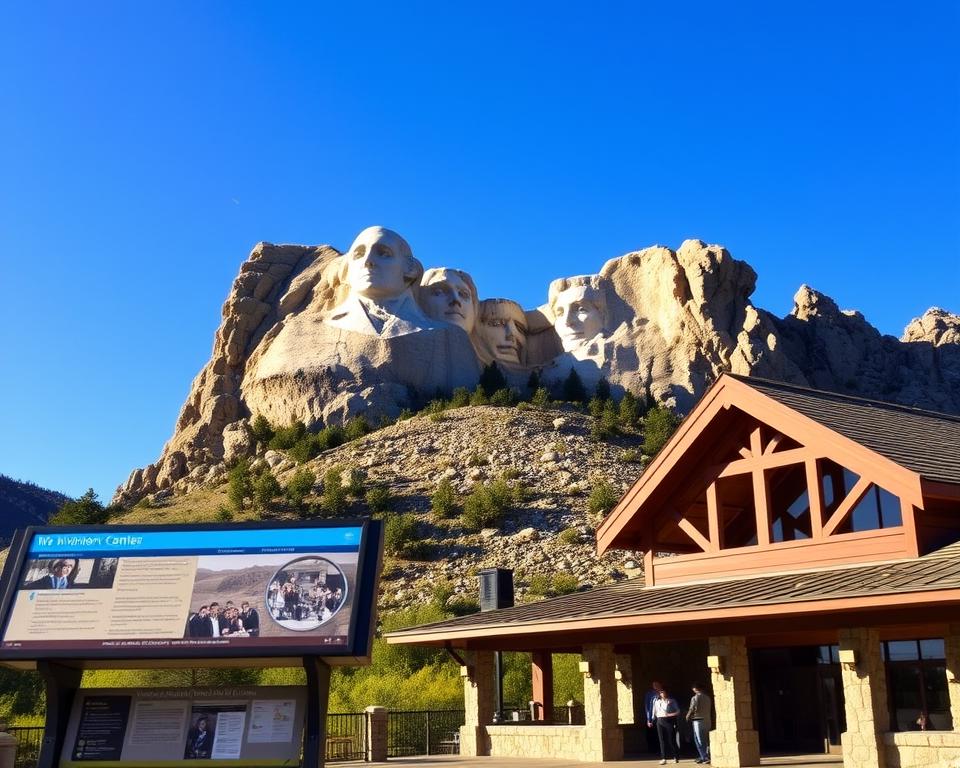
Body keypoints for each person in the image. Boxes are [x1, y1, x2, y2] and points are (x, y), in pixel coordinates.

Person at [652, 688, 681, 764]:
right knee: (662, 740)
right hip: (659, 720)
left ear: (666, 693)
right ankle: (663, 758)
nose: (662, 694)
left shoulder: (672, 701)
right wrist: (653, 719)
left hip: (668, 720)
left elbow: (678, 711)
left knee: (671, 740)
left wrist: (669, 714)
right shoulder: (657, 701)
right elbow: (654, 711)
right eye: (661, 693)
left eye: (663, 692)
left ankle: (675, 756)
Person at [687, 682, 712, 764]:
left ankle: (705, 757)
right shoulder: (708, 698)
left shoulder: (695, 698)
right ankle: (704, 756)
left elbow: (693, 708)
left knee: (699, 740)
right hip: (707, 720)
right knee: (706, 739)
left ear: (695, 689)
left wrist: (687, 716)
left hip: (698, 721)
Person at [644, 681, 664, 753]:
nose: (655, 686)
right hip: (652, 717)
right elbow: (648, 707)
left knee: (661, 734)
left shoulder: (664, 693)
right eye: (654, 685)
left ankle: (661, 750)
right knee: (652, 734)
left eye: (657, 685)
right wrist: (648, 719)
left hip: (662, 716)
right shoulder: (649, 694)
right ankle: (653, 749)